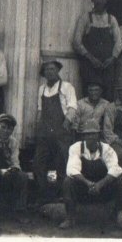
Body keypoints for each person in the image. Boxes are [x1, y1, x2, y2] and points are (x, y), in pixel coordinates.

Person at [60, 121, 122, 232]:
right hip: (84, 190)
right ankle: (70, 218)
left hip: (103, 190)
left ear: (99, 135)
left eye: (93, 134)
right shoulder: (76, 148)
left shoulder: (107, 149)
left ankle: (121, 219)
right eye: (87, 135)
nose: (91, 138)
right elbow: (72, 169)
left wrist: (100, 184)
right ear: (83, 136)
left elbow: (115, 169)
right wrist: (88, 183)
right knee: (68, 181)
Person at [33, 60, 78, 204]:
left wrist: (66, 123)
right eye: (47, 70)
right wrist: (39, 126)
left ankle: (62, 195)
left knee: (62, 163)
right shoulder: (42, 89)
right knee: (39, 163)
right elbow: (40, 110)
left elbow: (72, 107)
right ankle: (44, 195)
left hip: (61, 130)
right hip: (45, 132)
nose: (49, 72)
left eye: (52, 69)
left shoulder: (66, 87)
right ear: (44, 73)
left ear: (58, 71)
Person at [72, 0, 122, 101]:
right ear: (92, 0)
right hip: (89, 64)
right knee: (88, 93)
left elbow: (119, 42)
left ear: (106, 0)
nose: (98, 1)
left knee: (107, 93)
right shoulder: (85, 18)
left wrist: (112, 58)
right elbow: (76, 42)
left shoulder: (112, 19)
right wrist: (90, 58)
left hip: (107, 64)